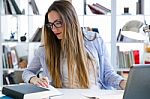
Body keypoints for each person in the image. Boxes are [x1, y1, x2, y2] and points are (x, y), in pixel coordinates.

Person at [22, 0, 126, 89]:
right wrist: (34, 79)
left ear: (71, 20)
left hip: (95, 95)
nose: (53, 29)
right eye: (51, 24)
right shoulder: (46, 49)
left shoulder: (95, 40)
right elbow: (27, 72)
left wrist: (124, 84)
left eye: (58, 23)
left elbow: (108, 74)